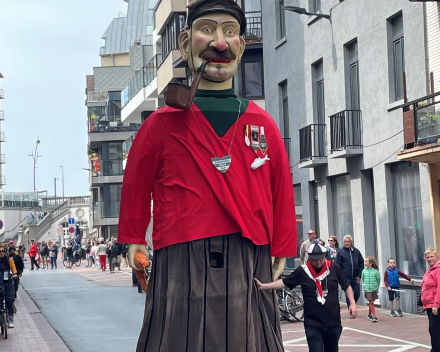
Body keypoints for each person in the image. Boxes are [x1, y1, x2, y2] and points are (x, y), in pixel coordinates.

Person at [118, 1, 297, 350]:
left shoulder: (262, 123)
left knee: (252, 338)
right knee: (179, 336)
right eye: (208, 30)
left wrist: (283, 244)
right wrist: (134, 236)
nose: (219, 43)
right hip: (181, 258)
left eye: (230, 32)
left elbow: (280, 186)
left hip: (251, 254)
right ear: (185, 42)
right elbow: (135, 184)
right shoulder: (162, 123)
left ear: (241, 47)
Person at [255, 241, 358, 351]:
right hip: (312, 323)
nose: (318, 262)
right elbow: (284, 282)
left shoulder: (334, 268)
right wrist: (263, 286)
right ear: (309, 257)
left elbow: (346, 286)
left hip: (333, 322)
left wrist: (352, 303)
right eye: (315, 259)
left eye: (320, 259)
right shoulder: (303, 271)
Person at [336, 235, 364, 309]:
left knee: (357, 293)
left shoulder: (356, 252)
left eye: (348, 241)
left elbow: (361, 263)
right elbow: (337, 265)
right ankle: (350, 310)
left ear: (351, 242)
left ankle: (353, 304)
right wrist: (341, 277)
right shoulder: (341, 252)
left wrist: (359, 275)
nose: (347, 243)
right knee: (349, 294)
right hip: (346, 278)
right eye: (345, 242)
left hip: (355, 277)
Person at [421, 247, 440, 352]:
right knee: (435, 329)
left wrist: (436, 305)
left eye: (431, 256)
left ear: (437, 257)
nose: (429, 259)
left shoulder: (438, 270)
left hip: (435, 305)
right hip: (429, 305)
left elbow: (439, 288)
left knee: (434, 330)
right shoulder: (429, 270)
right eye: (427, 257)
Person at [0, 244, 18, 328]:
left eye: (3, 251)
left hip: (7, 281)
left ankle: (11, 320)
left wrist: (15, 274)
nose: (1, 253)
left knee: (9, 299)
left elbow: (13, 269)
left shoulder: (9, 259)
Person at [361, 256, 380, 322]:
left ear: (371, 263)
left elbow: (378, 279)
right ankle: (374, 316)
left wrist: (376, 286)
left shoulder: (375, 271)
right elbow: (363, 279)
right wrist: (365, 286)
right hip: (367, 288)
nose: (365, 263)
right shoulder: (364, 271)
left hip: (373, 288)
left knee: (371, 302)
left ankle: (369, 314)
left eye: (366, 262)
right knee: (371, 301)